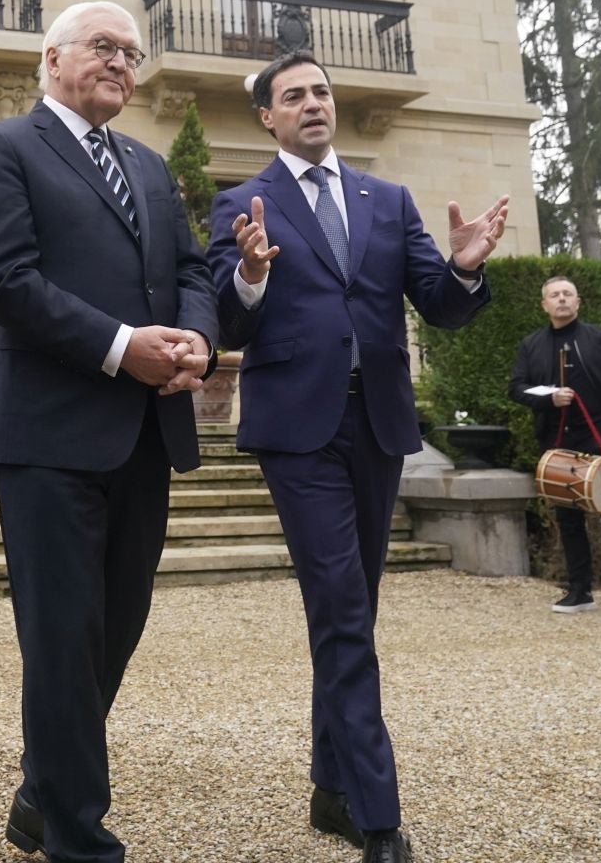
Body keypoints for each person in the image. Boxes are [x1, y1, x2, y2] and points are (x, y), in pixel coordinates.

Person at [206, 52, 506, 863]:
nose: (313, 103)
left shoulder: (388, 199)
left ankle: (329, 786)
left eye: (321, 92)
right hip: (296, 431)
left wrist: (465, 267)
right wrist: (250, 274)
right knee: (342, 609)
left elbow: (437, 306)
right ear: (267, 117)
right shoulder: (241, 203)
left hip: (376, 424)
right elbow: (227, 324)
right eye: (293, 95)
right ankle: (378, 816)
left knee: (352, 610)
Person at [0, 0, 218, 863]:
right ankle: (80, 838)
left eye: (131, 54)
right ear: (52, 58)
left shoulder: (149, 164)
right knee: (63, 639)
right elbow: (6, 280)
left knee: (117, 627)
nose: (121, 63)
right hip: (48, 434)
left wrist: (196, 339)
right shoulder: (2, 148)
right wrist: (121, 348)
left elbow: (192, 271)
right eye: (104, 46)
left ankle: (42, 795)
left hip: (146, 432)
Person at [509, 275, 601, 620]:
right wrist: (549, 399)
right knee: (568, 518)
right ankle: (579, 590)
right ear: (544, 305)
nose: (561, 299)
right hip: (557, 441)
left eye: (567, 294)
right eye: (554, 295)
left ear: (578, 302)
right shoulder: (531, 344)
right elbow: (516, 388)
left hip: (599, 436)